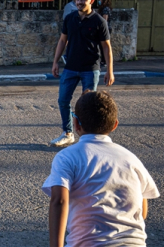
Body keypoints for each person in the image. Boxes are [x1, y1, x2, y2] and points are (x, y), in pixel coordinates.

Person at [42, 91, 160, 247]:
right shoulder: (131, 159)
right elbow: (142, 211)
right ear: (115, 125)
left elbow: (59, 200)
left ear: (76, 123)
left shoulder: (67, 157)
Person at [50, 0, 114, 147]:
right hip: (70, 67)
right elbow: (62, 41)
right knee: (63, 100)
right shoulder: (70, 18)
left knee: (89, 105)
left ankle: (89, 138)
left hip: (90, 69)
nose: (79, 2)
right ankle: (68, 133)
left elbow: (106, 47)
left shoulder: (99, 21)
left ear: (91, 1)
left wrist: (110, 71)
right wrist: (55, 61)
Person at [98, 0, 113, 67]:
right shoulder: (106, 8)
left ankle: (104, 61)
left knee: (103, 45)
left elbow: (104, 20)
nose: (99, 1)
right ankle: (104, 60)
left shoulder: (105, 9)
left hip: (105, 29)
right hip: (106, 28)